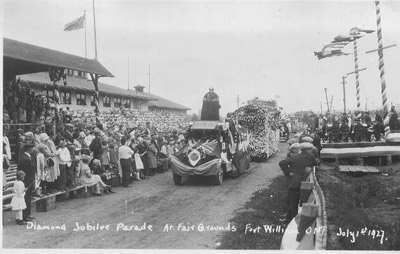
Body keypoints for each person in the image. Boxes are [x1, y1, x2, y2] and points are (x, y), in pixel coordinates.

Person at [278, 142, 318, 223]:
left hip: (294, 182)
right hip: (305, 182)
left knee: (293, 202)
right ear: (307, 150)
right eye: (310, 149)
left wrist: (289, 173)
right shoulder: (310, 157)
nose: (311, 151)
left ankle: (291, 220)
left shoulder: (294, 157)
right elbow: (316, 163)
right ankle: (294, 220)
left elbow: (282, 163)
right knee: (302, 202)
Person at [17, 140, 36, 222]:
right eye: (32, 148)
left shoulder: (25, 157)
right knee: (26, 198)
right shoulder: (25, 158)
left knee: (28, 198)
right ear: (29, 149)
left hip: (28, 180)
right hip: (27, 181)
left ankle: (27, 214)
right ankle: (25, 215)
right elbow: (27, 171)